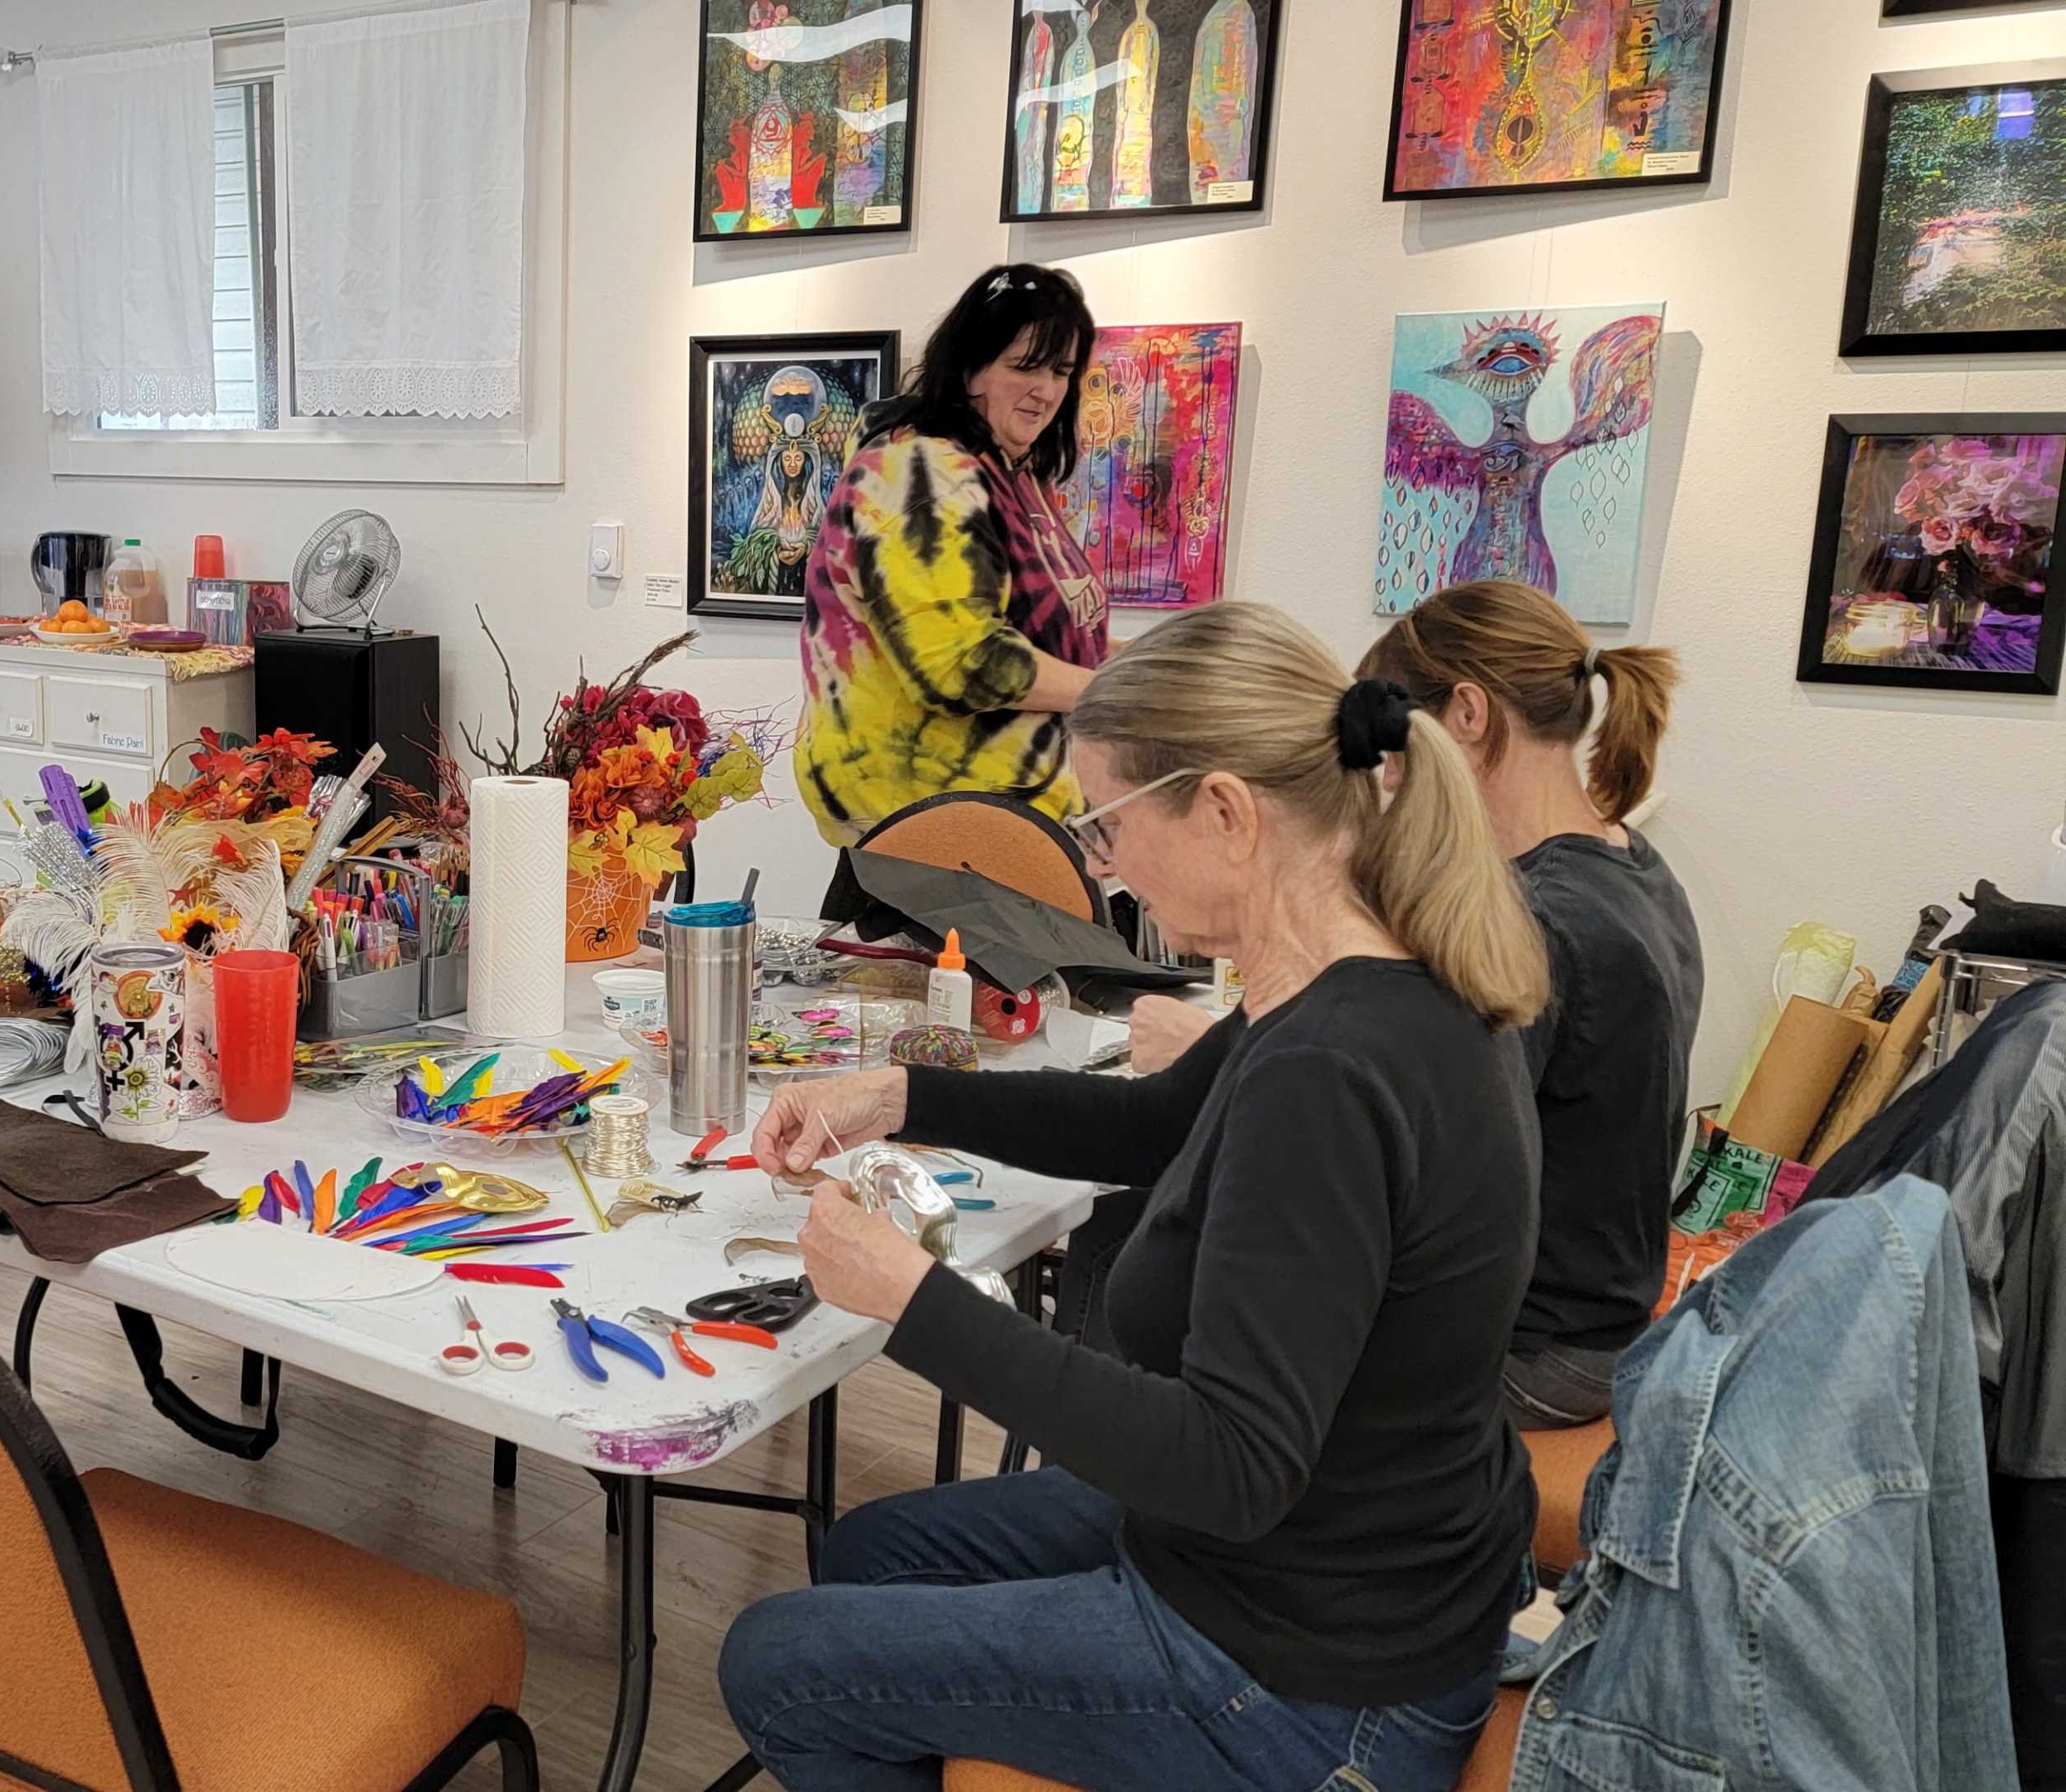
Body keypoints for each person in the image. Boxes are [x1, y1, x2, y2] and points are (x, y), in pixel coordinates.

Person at [719, 603, 1547, 1792]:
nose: (1100, 868)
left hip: (1315, 1674)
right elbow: (1152, 1124)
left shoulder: (1330, 1067)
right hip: (1338, 1575)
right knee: (871, 1547)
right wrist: (899, 1093)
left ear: (1224, 809)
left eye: (1105, 826)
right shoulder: (1353, 978)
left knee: (776, 1659)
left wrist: (914, 1296)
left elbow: (1230, 1462)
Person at [1126, 579, 1698, 1428]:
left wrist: (1226, 1053)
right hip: (1600, 1317)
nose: (1393, 781)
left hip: (1542, 1354)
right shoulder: (1633, 864)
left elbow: (1422, 1128)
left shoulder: (1536, 920)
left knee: (1170, 1300)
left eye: (1397, 751)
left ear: (1466, 713)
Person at [796, 263, 1110, 846]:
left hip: (1016, 821)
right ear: (970, 368)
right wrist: (1124, 691)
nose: (1046, 391)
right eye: (1025, 367)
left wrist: (1167, 666)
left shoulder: (1013, 471)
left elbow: (1058, 640)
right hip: (936, 836)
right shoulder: (920, 470)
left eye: (1062, 371)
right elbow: (962, 664)